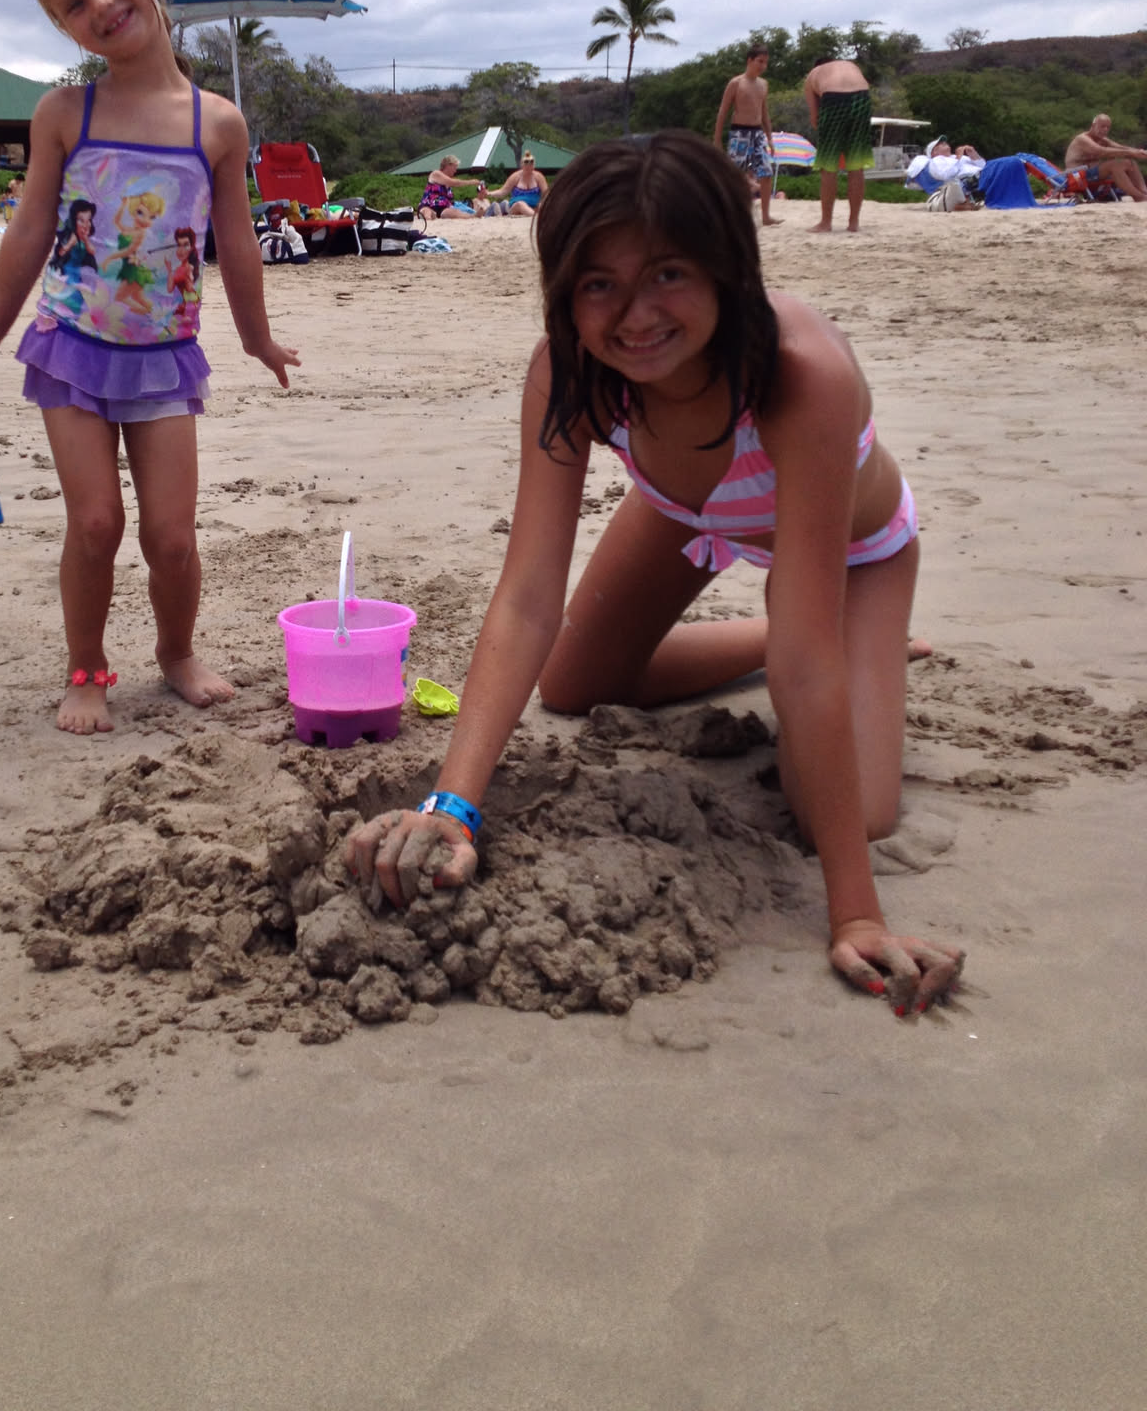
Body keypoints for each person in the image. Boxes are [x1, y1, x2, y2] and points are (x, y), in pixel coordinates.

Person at [346, 133, 962, 1015]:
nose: (635, 317)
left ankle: (863, 638)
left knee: (855, 813)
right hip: (686, 508)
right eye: (599, 284)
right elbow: (528, 596)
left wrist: (855, 913)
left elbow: (804, 665)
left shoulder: (801, 378)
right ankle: (793, 638)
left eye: (668, 274)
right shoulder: (571, 370)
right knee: (572, 684)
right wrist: (453, 805)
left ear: (727, 271)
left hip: (851, 549)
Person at [0, 0, 299, 735]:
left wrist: (257, 338)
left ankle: (176, 653)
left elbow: (238, 242)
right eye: (73, 3)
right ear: (65, 26)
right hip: (70, 349)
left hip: (165, 356)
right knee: (97, 522)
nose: (98, 4)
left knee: (171, 538)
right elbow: (30, 230)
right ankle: (87, 668)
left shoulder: (217, 123)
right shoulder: (66, 114)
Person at [713, 44, 781, 227]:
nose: (763, 66)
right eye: (760, 61)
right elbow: (723, 111)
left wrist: (770, 137)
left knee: (766, 172)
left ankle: (766, 216)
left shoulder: (763, 84)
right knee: (735, 175)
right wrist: (717, 139)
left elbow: (764, 112)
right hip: (739, 132)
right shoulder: (736, 83)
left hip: (757, 132)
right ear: (750, 60)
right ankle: (732, 214)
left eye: (765, 62)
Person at [803, 57, 873, 233]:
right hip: (861, 95)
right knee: (856, 164)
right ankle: (853, 223)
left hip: (833, 98)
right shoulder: (850, 65)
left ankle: (826, 222)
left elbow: (815, 119)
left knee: (828, 166)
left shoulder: (813, 75)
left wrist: (831, 145)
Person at [1061, 114, 1147, 202]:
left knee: (1130, 162)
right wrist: (1131, 152)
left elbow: (1121, 147)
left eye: (1107, 127)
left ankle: (1144, 192)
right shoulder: (1082, 139)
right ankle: (1139, 196)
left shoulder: (1102, 139)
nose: (1105, 130)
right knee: (1114, 165)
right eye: (1102, 126)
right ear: (1093, 126)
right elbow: (1101, 151)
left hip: (1091, 172)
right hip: (1076, 175)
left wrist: (1139, 152)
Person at [419, 154, 484, 219]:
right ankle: (429, 216)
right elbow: (454, 182)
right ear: (448, 165)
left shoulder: (447, 182)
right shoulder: (436, 174)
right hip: (429, 204)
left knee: (450, 212)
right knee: (426, 211)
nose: (455, 170)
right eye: (455, 167)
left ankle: (473, 216)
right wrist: (471, 182)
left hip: (443, 207)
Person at [485, 150, 549, 216]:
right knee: (520, 204)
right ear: (522, 164)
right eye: (526, 163)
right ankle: (535, 216)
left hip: (535, 205)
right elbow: (503, 192)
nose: (528, 166)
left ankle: (538, 214)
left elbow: (546, 193)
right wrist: (489, 193)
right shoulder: (515, 177)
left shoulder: (539, 177)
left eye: (531, 163)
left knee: (543, 204)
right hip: (517, 207)